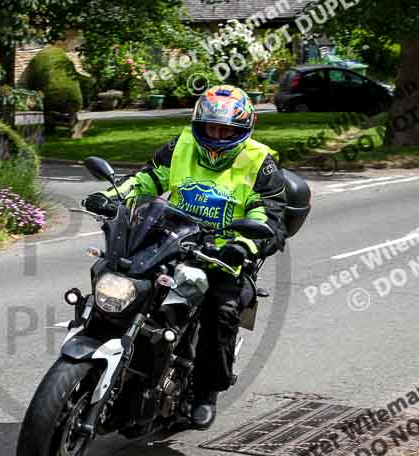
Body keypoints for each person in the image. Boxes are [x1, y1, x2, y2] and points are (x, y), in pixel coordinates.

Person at [83, 85, 288, 429]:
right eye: (211, 127)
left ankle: (207, 391)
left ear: (243, 129)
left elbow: (269, 216)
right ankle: (96, 339)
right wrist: (111, 196)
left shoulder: (259, 163)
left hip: (220, 256)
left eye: (226, 130)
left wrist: (243, 246)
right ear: (199, 125)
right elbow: (147, 178)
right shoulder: (182, 146)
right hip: (169, 240)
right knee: (115, 271)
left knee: (221, 311)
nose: (216, 136)